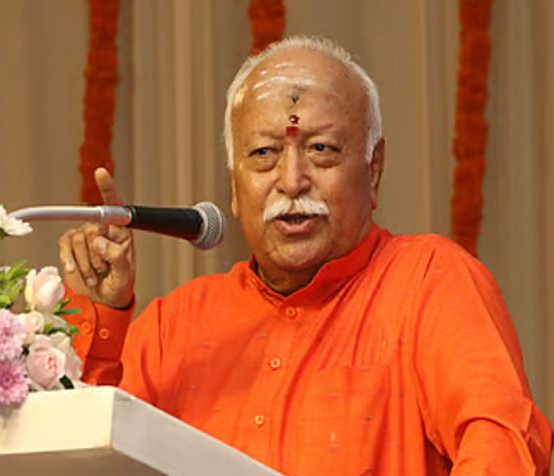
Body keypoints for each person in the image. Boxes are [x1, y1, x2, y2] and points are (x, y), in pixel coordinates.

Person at [58, 36, 552, 475]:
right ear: (233, 186)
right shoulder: (175, 327)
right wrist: (102, 317)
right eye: (264, 154)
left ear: (374, 169)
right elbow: (78, 458)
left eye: (321, 150)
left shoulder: (429, 281)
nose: (292, 181)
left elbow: (503, 443)